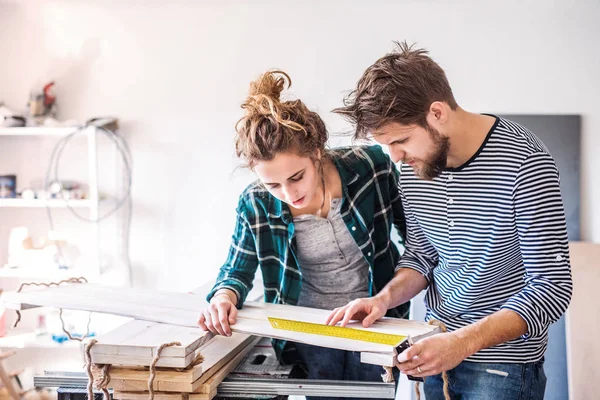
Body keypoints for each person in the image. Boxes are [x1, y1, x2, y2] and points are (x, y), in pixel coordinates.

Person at [328, 42, 573, 400]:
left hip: (502, 369)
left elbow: (551, 288)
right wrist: (383, 298)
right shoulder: (415, 169)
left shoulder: (526, 163)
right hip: (434, 348)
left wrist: (461, 343)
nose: (395, 157)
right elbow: (422, 256)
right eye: (386, 146)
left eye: (401, 141)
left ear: (437, 113)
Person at [197, 70, 408, 398]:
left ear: (316, 153)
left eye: (296, 177)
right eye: (273, 184)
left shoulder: (372, 167)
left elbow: (418, 240)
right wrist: (223, 298)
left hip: (376, 325)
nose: (288, 193)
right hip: (309, 329)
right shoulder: (255, 203)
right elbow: (236, 271)